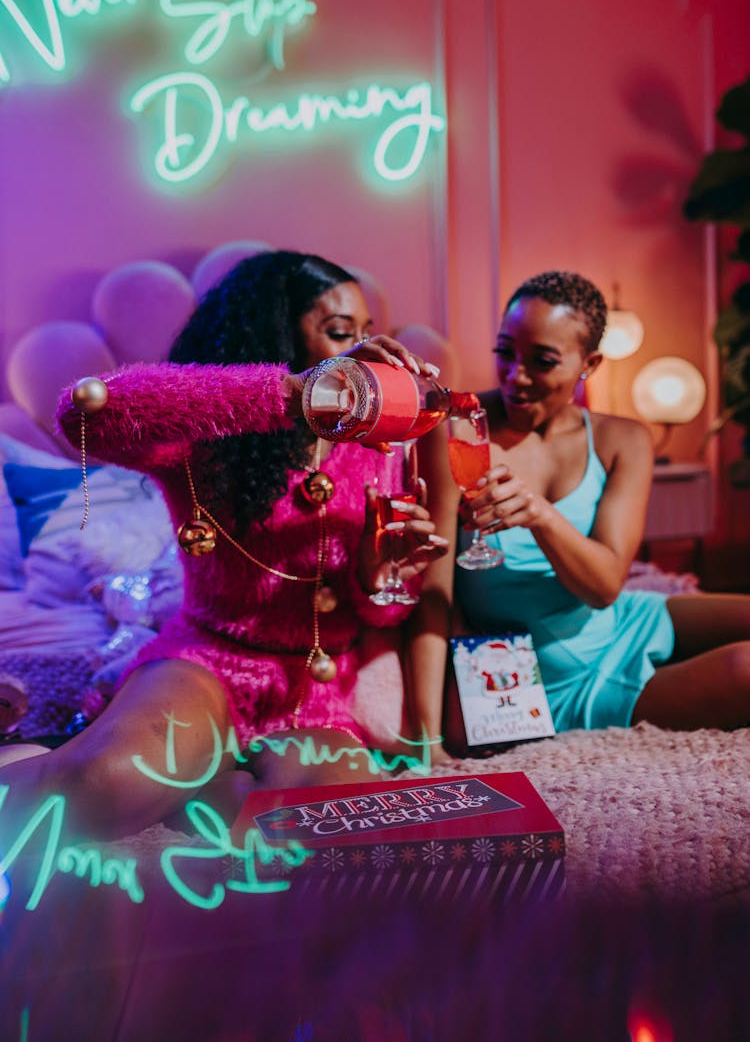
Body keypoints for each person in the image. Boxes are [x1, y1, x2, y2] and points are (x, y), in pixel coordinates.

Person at [0, 251, 449, 840]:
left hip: (315, 688)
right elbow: (89, 412)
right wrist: (297, 394)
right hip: (205, 663)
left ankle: (203, 783)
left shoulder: (381, 448)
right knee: (106, 786)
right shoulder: (207, 439)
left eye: (367, 333)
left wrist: (376, 576)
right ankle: (173, 776)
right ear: (273, 337)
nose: (364, 354)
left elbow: (381, 613)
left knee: (317, 832)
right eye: (340, 333)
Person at [407, 270, 750, 763]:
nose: (515, 377)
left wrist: (540, 516)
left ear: (589, 364)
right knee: (743, 669)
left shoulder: (623, 440)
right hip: (549, 676)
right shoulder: (458, 432)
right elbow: (433, 593)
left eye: (542, 361)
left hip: (617, 619)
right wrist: (427, 739)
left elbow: (606, 584)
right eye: (505, 352)